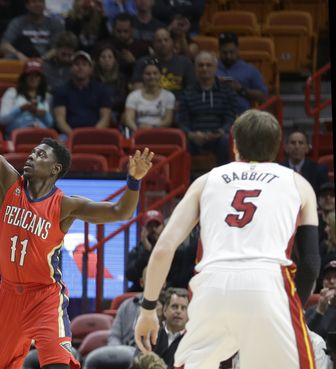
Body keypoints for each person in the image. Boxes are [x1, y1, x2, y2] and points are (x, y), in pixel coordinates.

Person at [0, 45, 154, 369]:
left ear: (55, 169)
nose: (31, 156)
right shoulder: (8, 182)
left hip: (45, 295)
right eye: (33, 151)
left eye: (41, 154)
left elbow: (121, 212)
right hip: (8, 294)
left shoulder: (64, 204)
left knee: (56, 364)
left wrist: (134, 181)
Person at [134, 110, 321, 369]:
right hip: (268, 285)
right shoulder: (299, 184)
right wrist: (293, 308)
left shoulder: (205, 181)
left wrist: (147, 309)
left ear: (234, 145)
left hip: (211, 285)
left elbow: (164, 248)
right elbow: (311, 263)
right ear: (278, 147)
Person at [177, 51, 237, 166]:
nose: (204, 68)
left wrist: (221, 131)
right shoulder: (187, 93)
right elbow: (182, 119)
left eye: (208, 65)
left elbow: (230, 116)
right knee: (183, 142)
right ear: (195, 69)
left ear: (215, 68)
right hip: (194, 138)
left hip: (218, 137)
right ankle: (186, 182)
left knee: (225, 140)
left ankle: (222, 179)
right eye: (200, 65)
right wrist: (191, 134)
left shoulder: (227, 91)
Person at [52, 51, 113, 136]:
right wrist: (74, 135)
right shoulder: (61, 91)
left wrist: (92, 135)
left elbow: (105, 118)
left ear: (91, 69)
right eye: (77, 64)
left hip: (96, 134)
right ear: (71, 68)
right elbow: (60, 120)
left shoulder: (102, 90)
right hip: (68, 134)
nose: (80, 67)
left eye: (84, 64)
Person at [0, 59, 54, 138]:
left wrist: (44, 115)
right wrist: (21, 109)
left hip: (40, 136)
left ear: (41, 78)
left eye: (37, 75)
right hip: (18, 136)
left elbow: (50, 124)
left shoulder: (45, 96)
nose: (33, 78)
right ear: (24, 77)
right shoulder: (12, 92)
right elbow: (3, 120)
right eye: (30, 75)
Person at [131, 28, 194, 96]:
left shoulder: (185, 62)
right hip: (150, 102)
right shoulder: (143, 62)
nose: (163, 43)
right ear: (153, 44)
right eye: (159, 41)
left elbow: (191, 88)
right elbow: (137, 89)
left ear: (172, 42)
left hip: (179, 103)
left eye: (166, 40)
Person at [216, 32, 267, 113]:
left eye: (231, 52)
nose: (228, 56)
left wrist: (241, 89)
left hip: (241, 115)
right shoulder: (210, 68)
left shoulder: (249, 69)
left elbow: (263, 96)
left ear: (237, 50)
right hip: (215, 115)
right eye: (224, 53)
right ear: (219, 51)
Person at [0, 0, 64, 60]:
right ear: (27, 5)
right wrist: (18, 54)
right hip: (21, 61)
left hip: (47, 62)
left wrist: (43, 59)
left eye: (41, 1)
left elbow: (58, 47)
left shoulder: (55, 23)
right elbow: (4, 45)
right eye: (34, 1)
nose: (38, 4)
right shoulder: (17, 22)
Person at [123, 59, 175, 133]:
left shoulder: (169, 96)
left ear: (160, 75)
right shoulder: (133, 96)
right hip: (138, 133)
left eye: (155, 73)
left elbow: (168, 121)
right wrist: (137, 130)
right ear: (142, 76)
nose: (152, 76)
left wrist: (152, 128)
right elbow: (129, 119)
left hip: (161, 134)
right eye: (148, 74)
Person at [152, 288, 188, 367]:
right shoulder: (152, 334)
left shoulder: (192, 339)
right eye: (175, 306)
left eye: (183, 308)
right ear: (164, 310)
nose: (179, 311)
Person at [93, 45, 129, 122]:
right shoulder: (93, 79)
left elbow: (122, 99)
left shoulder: (122, 78)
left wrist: (106, 104)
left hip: (116, 113)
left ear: (115, 60)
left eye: (110, 57)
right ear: (98, 60)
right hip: (96, 113)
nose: (107, 60)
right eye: (103, 57)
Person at [305, 260, 336, 341]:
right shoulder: (312, 310)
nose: (332, 281)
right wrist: (319, 311)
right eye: (328, 278)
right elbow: (305, 337)